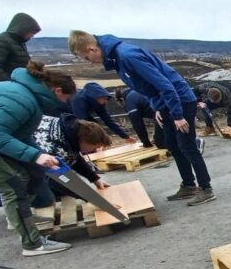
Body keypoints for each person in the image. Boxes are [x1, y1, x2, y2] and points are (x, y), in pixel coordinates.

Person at [69, 31, 215, 205]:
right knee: (172, 145)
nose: (89, 61)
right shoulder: (117, 59)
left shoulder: (127, 56)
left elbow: (164, 85)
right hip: (166, 104)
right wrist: (158, 108)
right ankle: (189, 185)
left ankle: (206, 188)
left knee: (187, 145)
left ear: (92, 48)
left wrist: (177, 115)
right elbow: (148, 88)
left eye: (86, 57)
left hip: (180, 101)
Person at [0, 61, 76, 255]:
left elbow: (20, 135)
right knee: (13, 187)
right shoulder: (20, 99)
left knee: (33, 172)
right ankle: (32, 244)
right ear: (57, 91)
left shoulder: (29, 98)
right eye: (67, 98)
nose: (66, 102)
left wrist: (40, 155)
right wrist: (35, 155)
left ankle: (23, 216)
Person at [68, 82, 133, 141]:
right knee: (86, 128)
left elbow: (108, 121)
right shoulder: (79, 100)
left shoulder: (99, 103)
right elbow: (82, 122)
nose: (106, 101)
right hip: (68, 113)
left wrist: (126, 136)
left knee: (96, 126)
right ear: (95, 97)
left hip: (83, 115)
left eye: (106, 99)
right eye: (104, 99)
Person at [0, 13, 40, 82]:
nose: (32, 36)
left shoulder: (19, 42)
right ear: (23, 30)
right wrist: (9, 84)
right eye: (31, 32)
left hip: (18, 84)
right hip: (8, 87)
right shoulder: (1, 41)